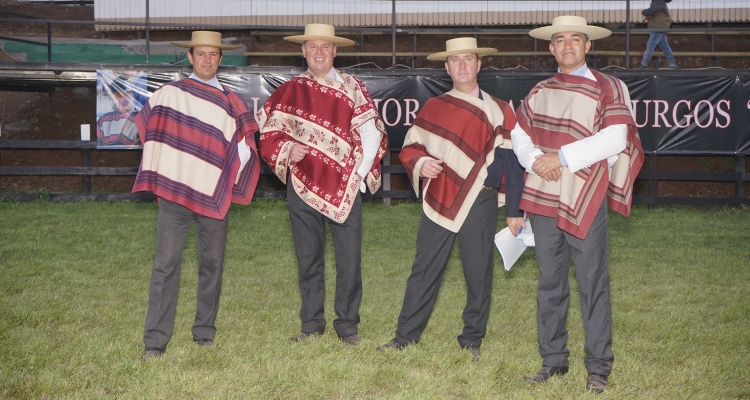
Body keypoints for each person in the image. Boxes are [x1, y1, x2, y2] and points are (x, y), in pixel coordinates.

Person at [513, 16, 644, 393]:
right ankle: (552, 360)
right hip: (543, 195)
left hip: (585, 197)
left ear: (588, 46)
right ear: (551, 48)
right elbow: (519, 133)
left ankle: (598, 366)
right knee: (550, 282)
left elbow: (616, 138)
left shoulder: (609, 86)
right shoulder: (540, 91)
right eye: (559, 40)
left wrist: (562, 158)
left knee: (592, 282)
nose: (567, 45)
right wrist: (536, 159)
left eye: (575, 39)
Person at [376, 38, 525, 362]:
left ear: (478, 64)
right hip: (441, 196)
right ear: (446, 67)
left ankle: (472, 339)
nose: (462, 65)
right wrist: (420, 163)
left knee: (478, 272)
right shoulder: (434, 107)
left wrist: (515, 211)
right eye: (455, 60)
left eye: (468, 59)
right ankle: (405, 337)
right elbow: (411, 147)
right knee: (424, 269)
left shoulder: (500, 108)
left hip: (480, 201)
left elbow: (513, 162)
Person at [257, 23, 388, 346]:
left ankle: (347, 325)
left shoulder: (352, 87)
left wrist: (358, 175)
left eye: (325, 47)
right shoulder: (291, 89)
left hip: (345, 188)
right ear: (303, 51)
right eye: (313, 47)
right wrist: (288, 150)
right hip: (302, 185)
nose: (319, 52)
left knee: (349, 259)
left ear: (335, 51)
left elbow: (372, 133)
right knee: (308, 257)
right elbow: (268, 134)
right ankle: (311, 323)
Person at [134, 31, 261, 361]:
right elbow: (149, 128)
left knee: (212, 265)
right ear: (190, 57)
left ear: (221, 59)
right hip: (175, 194)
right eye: (201, 54)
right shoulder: (170, 95)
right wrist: (169, 163)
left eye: (213, 54)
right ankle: (155, 340)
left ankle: (204, 332)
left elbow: (246, 148)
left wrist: (225, 175)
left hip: (213, 195)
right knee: (165, 265)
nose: (207, 59)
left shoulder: (233, 103)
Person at [96, 77, 141, 146]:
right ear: (113, 98)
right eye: (118, 96)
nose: (122, 100)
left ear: (133, 96)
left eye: (126, 95)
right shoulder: (104, 120)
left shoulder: (140, 119)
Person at [638, 0, 678, 69]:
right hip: (660, 26)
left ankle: (644, 64)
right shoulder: (659, 2)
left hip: (658, 27)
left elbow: (652, 11)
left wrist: (644, 12)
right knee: (665, 47)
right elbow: (654, 12)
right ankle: (672, 64)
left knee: (650, 46)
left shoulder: (658, 1)